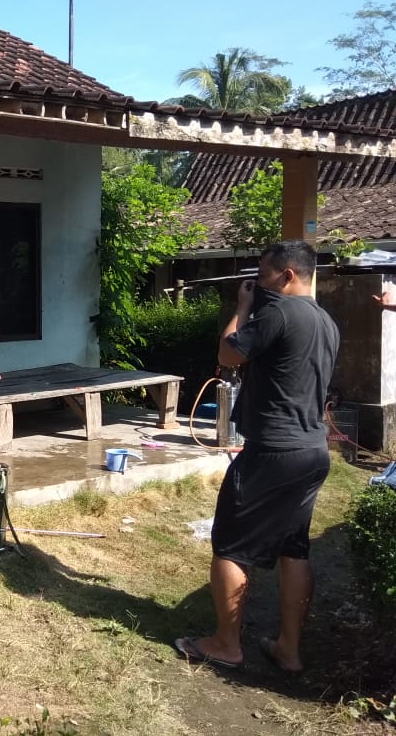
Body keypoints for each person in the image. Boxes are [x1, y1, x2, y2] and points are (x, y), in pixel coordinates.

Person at [175, 240, 339, 674]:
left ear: (287, 275)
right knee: (293, 549)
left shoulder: (278, 313)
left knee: (230, 546)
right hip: (311, 449)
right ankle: (289, 649)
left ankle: (225, 644)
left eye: (263, 274)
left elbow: (228, 353)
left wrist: (243, 307)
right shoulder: (325, 320)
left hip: (272, 451)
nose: (258, 282)